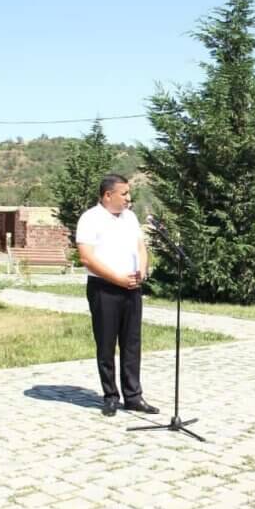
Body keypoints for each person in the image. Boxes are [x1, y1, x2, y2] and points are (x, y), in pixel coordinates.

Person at [76, 174, 159, 417]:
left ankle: (133, 396)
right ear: (107, 195)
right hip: (104, 288)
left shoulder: (130, 217)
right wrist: (116, 278)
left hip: (132, 287)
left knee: (132, 343)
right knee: (106, 343)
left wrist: (142, 270)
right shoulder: (90, 219)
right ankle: (111, 396)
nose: (128, 198)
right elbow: (86, 258)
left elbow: (140, 248)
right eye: (124, 194)